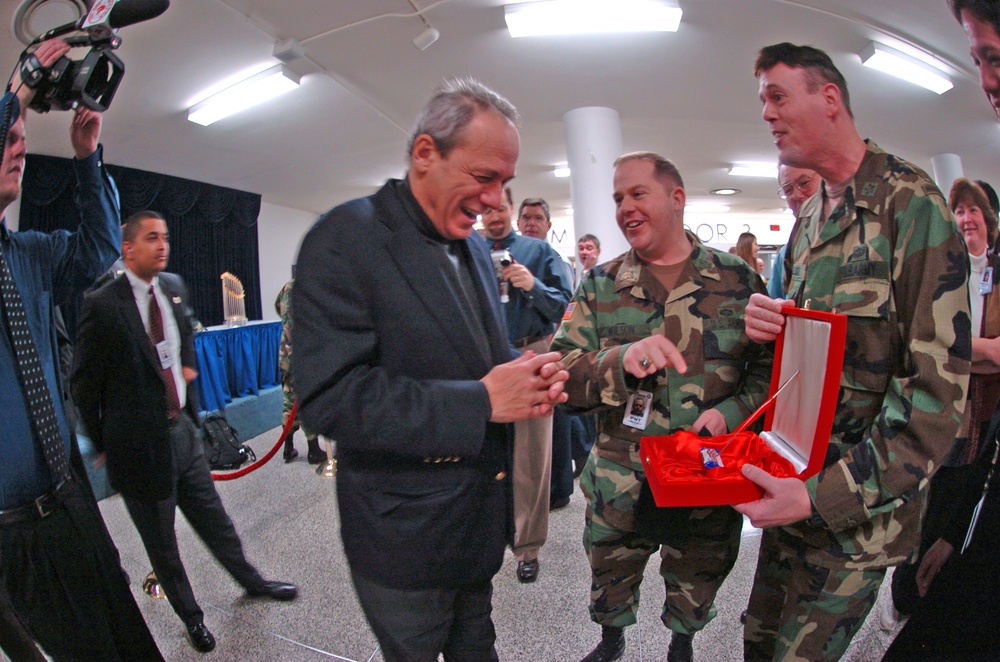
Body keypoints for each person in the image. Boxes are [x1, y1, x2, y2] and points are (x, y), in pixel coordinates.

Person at [293, 78, 568, 661]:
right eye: (484, 177)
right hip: (404, 540)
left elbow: (470, 355)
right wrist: (482, 401)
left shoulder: (467, 242)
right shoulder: (343, 239)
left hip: (474, 525)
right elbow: (329, 398)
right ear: (425, 154)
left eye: (505, 184)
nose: (497, 201)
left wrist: (520, 373)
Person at [739, 42, 971, 662]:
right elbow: (824, 348)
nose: (766, 112)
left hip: (859, 511)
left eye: (778, 96)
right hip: (796, 480)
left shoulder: (912, 208)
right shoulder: (811, 216)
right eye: (762, 99)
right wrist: (777, 323)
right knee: (757, 642)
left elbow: (937, 401)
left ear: (831, 98)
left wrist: (820, 497)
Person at [551, 151, 772, 662]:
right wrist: (621, 360)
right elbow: (563, 377)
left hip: (706, 477)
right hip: (619, 478)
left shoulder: (737, 280)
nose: (625, 207)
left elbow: (769, 373)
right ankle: (611, 641)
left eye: (637, 194)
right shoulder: (601, 286)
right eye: (617, 199)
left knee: (697, 579)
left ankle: (683, 644)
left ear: (677, 199)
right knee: (609, 578)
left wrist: (734, 413)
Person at [0, 38, 165, 661]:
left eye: (20, 140)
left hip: (70, 500)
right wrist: (22, 88)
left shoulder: (30, 256)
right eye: (7, 140)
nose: (17, 147)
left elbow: (103, 252)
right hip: (12, 530)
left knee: (128, 638)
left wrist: (85, 160)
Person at [72, 210, 298, 654]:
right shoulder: (102, 304)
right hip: (137, 448)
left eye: (166, 238)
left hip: (182, 435)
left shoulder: (173, 288)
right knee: (163, 545)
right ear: (128, 248)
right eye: (152, 238)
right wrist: (104, 443)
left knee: (215, 519)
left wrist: (192, 414)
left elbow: (183, 347)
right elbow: (83, 384)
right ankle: (192, 619)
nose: (163, 245)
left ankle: (252, 582)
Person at [882, 177, 1000, 659]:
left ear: (990, 220)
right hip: (934, 416)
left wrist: (967, 353)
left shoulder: (994, 273)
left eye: (975, 211)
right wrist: (983, 351)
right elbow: (925, 342)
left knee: (954, 512)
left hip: (982, 426)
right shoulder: (943, 272)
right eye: (960, 211)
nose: (967, 219)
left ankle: (927, 593)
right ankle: (903, 594)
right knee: (920, 513)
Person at [483, 187, 573, 581]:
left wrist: (530, 284)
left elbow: (563, 307)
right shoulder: (472, 253)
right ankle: (485, 535)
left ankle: (528, 547)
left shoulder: (542, 255)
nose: (531, 222)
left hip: (533, 354)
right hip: (486, 357)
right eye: (527, 216)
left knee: (532, 453)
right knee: (482, 450)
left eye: (539, 217)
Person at [274, 275, 325, 463]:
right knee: (308, 399)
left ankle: (288, 448)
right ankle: (313, 449)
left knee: (289, 399)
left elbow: (279, 307)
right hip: (305, 353)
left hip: (287, 352)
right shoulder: (313, 288)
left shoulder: (288, 286)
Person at [769, 165, 820, 299]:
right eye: (788, 190)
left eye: (804, 183)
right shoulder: (786, 254)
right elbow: (773, 304)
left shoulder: (862, 235)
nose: (797, 195)